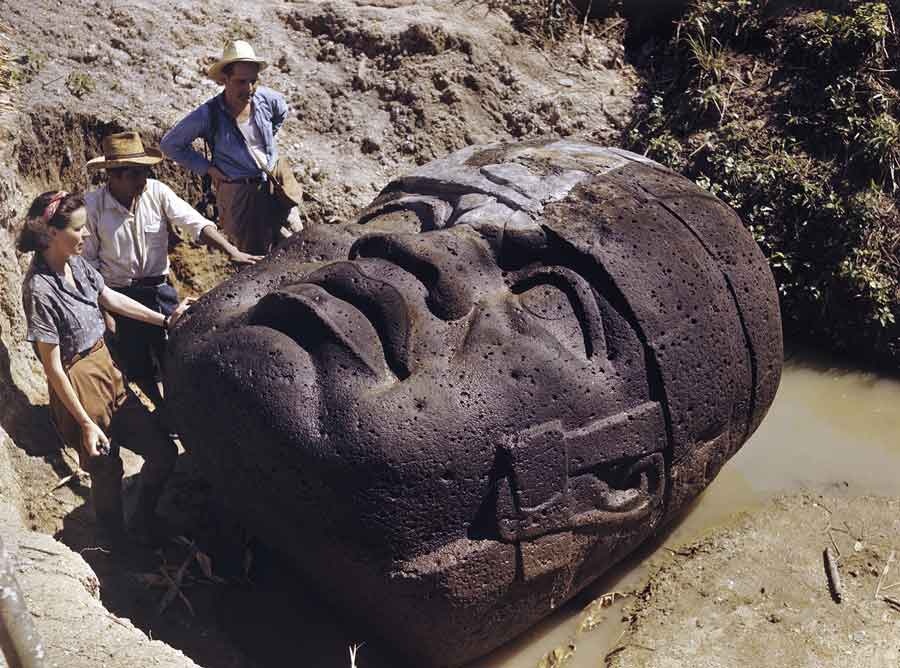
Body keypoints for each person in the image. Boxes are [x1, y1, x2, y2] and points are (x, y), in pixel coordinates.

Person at [19, 190, 192, 542]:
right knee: (106, 470)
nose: (86, 235)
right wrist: (84, 422)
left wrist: (163, 321)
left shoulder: (76, 263)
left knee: (162, 451)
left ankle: (143, 518)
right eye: (79, 229)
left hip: (108, 368)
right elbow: (52, 367)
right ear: (52, 233)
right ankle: (115, 544)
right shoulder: (39, 289)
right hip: (79, 383)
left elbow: (108, 298)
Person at [83, 130, 260, 405]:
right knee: (136, 360)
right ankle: (160, 407)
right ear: (114, 175)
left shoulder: (157, 192)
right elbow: (89, 263)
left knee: (175, 349)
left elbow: (194, 222)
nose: (143, 180)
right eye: (135, 174)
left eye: (145, 172)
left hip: (159, 291)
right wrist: (103, 309)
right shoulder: (93, 206)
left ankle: (181, 407)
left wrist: (231, 251)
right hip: (120, 295)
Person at [160, 39, 304, 255]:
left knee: (295, 245)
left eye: (253, 81)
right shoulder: (209, 114)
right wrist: (208, 169)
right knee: (253, 258)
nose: (249, 88)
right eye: (241, 81)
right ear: (225, 80)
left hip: (275, 183)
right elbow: (171, 144)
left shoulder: (266, 99)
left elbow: (281, 111)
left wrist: (268, 148)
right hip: (239, 192)